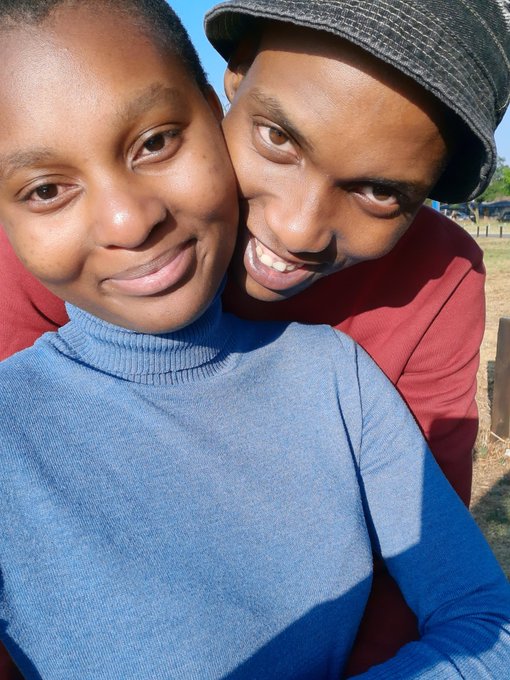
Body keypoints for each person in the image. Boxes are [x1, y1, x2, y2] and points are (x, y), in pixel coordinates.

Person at [1, 1, 510, 678]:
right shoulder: (47, 296)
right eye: (277, 137)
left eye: (381, 191)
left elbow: (446, 587)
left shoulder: (353, 369)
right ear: (230, 85)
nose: (299, 230)